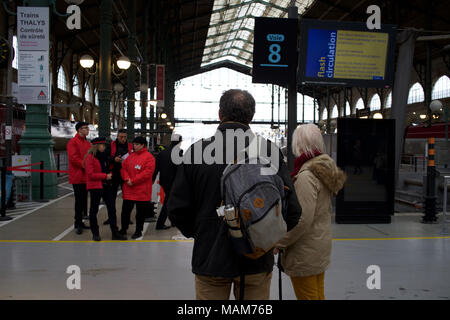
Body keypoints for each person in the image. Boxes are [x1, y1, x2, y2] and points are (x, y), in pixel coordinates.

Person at [168, 89, 302, 300]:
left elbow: (176, 209)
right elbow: (293, 210)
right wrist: (269, 238)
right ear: (252, 116)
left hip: (210, 259)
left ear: (220, 114)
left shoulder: (195, 152)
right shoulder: (269, 152)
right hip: (257, 259)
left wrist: (203, 232)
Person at [274, 124, 346, 300]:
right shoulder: (324, 168)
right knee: (317, 295)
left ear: (298, 144)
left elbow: (302, 219)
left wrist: (279, 243)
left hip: (304, 251)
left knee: (308, 296)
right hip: (318, 244)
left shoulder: (306, 176)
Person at [84, 138, 127, 241]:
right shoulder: (90, 157)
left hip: (107, 186)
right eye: (103, 145)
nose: (104, 147)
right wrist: (105, 176)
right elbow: (90, 174)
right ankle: (95, 233)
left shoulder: (104, 157)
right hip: (96, 187)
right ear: (97, 146)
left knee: (112, 209)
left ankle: (115, 232)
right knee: (93, 211)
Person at [119, 136, 156, 240]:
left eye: (137, 144)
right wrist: (127, 179)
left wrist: (133, 180)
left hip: (141, 191)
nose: (134, 146)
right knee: (125, 212)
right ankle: (123, 229)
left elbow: (147, 173)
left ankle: (138, 231)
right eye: (134, 144)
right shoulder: (131, 156)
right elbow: (123, 168)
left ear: (143, 145)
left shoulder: (149, 157)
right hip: (129, 189)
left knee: (140, 213)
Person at [152, 134, 183, 230]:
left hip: (164, 182)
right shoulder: (178, 153)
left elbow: (156, 168)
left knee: (171, 201)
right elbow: (181, 169)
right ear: (179, 141)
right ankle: (160, 224)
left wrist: (152, 180)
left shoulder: (162, 153)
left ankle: (173, 221)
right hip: (174, 182)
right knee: (168, 203)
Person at [103, 129, 133, 226]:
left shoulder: (130, 146)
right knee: (111, 198)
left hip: (126, 174)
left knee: (128, 197)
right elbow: (105, 157)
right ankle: (111, 217)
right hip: (113, 174)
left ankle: (127, 218)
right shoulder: (110, 145)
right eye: (121, 137)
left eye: (125, 137)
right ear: (117, 136)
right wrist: (113, 159)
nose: (123, 139)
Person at [67, 121, 91, 235]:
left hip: (85, 176)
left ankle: (80, 222)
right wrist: (85, 165)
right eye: (85, 128)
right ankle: (77, 223)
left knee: (83, 200)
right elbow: (73, 158)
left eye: (87, 128)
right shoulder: (73, 142)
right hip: (78, 176)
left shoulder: (87, 143)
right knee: (79, 201)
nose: (87, 129)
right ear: (79, 130)